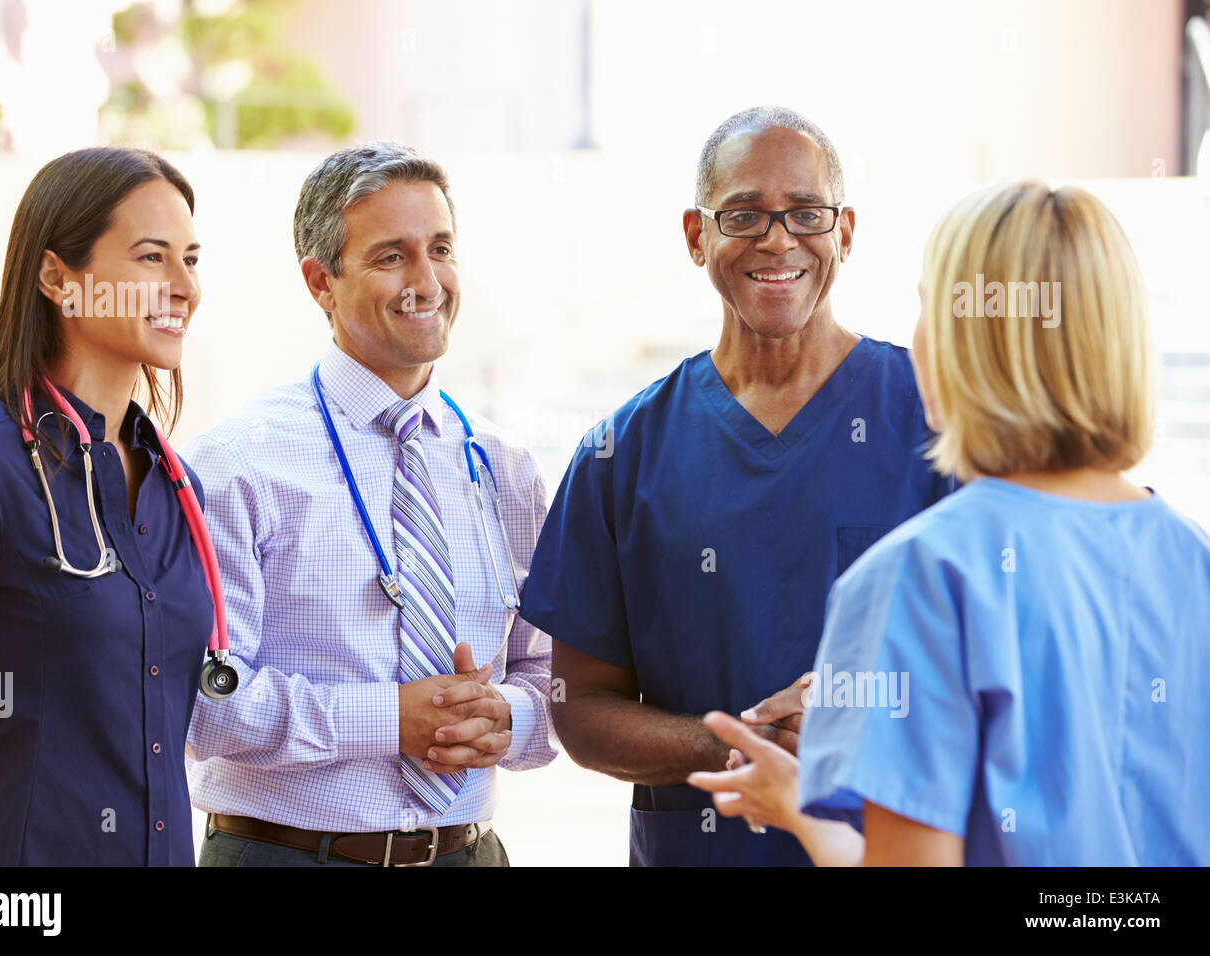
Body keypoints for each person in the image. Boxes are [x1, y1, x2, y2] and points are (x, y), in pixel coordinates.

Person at [689, 180, 1210, 866]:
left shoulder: (922, 575)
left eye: (930, 304)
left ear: (973, 339)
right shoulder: (1190, 555)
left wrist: (797, 807)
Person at [518, 106, 953, 867]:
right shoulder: (621, 454)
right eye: (743, 215)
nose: (777, 240)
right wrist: (734, 743)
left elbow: (1005, 675)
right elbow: (579, 709)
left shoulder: (940, 427)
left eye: (805, 214)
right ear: (697, 237)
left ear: (844, 232)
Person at [184, 142, 556, 867]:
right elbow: (206, 706)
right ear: (321, 282)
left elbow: (550, 678)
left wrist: (508, 718)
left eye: (440, 249)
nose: (427, 281)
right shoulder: (237, 465)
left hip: (469, 853)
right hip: (288, 857)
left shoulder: (505, 471)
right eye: (392, 257)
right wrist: (387, 720)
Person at [0, 147, 220, 865]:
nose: (183, 287)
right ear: (57, 277)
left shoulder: (181, 494)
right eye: (151, 258)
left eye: (192, 259)